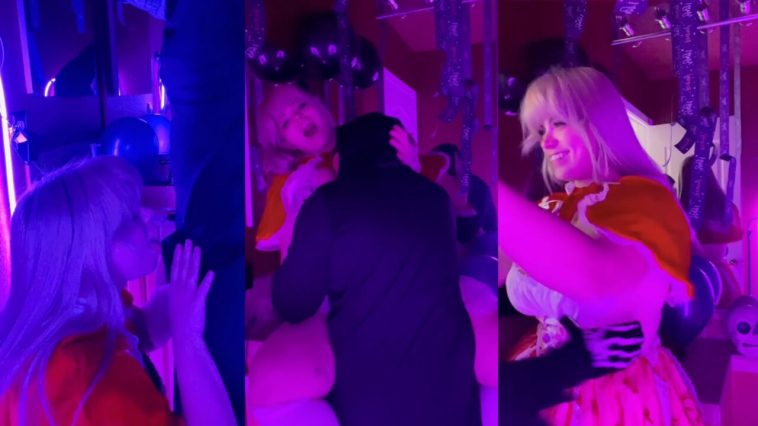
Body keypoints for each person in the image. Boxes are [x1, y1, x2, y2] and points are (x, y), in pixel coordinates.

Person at [499, 67, 704, 424]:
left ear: (599, 122)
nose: (546, 143)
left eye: (558, 123)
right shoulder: (550, 208)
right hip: (545, 377)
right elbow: (497, 275)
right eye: (541, 130)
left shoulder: (647, 202)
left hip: (620, 396)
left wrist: (489, 193)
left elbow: (601, 286)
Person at [272, 113, 481, 426]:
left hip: (376, 400)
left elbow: (292, 303)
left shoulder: (329, 203)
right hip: (453, 395)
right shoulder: (435, 198)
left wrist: (292, 225)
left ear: (342, 158)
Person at [0, 157, 234, 425]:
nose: (149, 214)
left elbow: (141, 328)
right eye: (132, 216)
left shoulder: (72, 318)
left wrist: (180, 294)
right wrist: (187, 337)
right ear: (92, 250)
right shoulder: (97, 389)